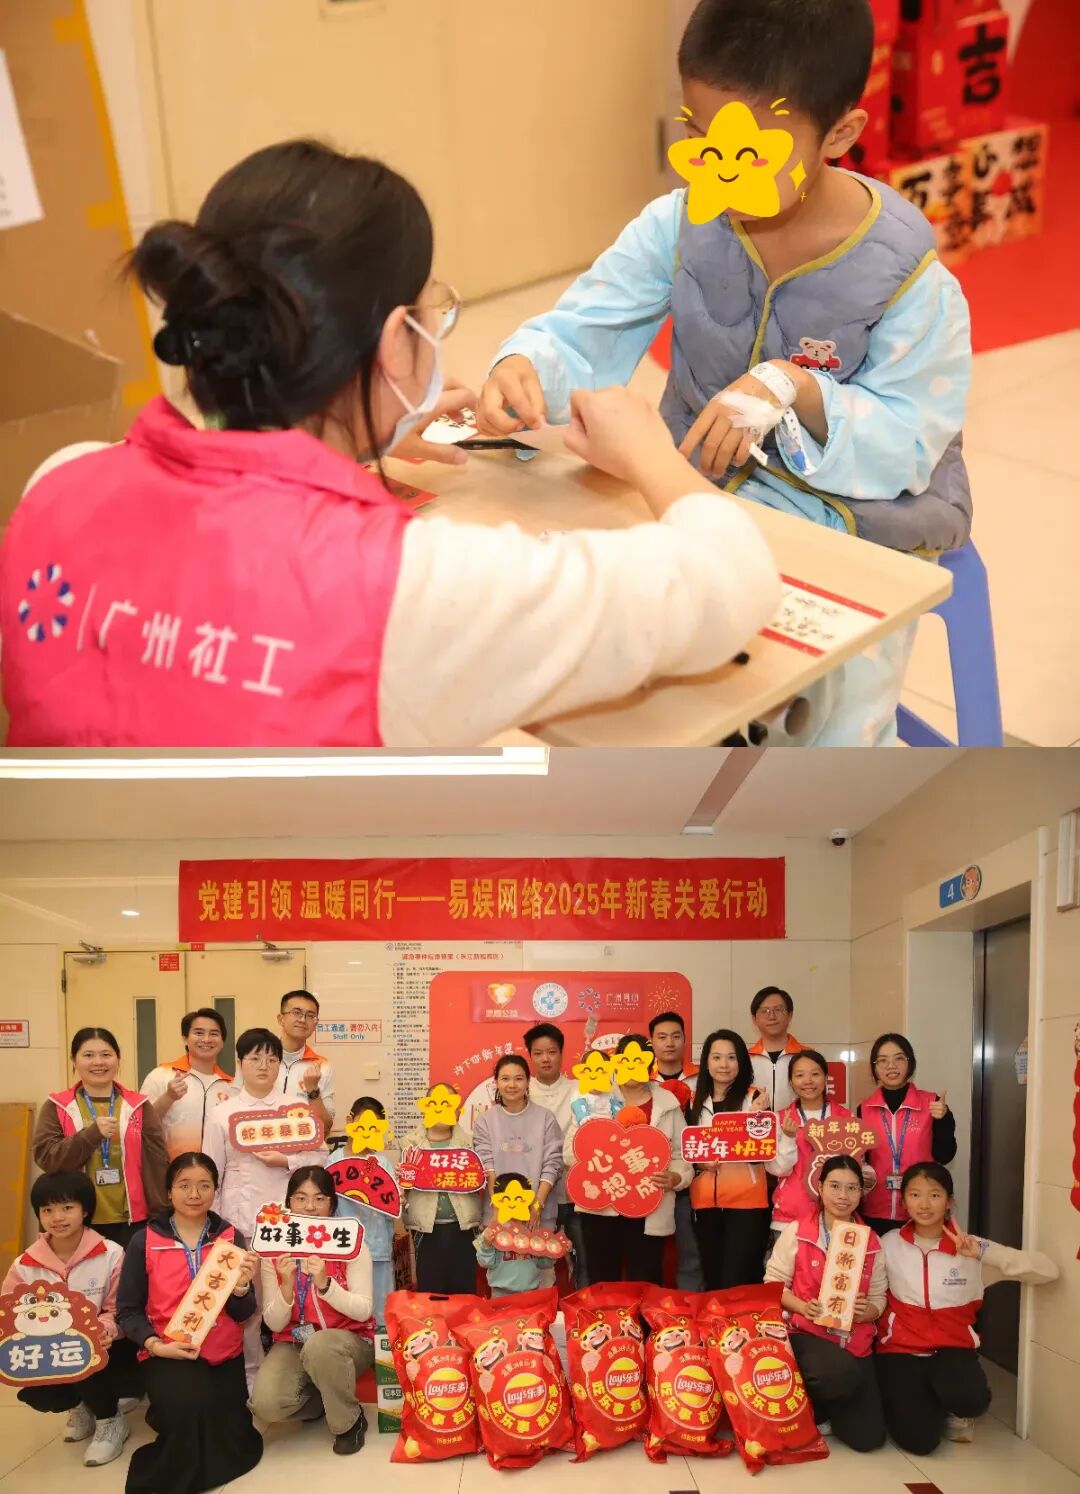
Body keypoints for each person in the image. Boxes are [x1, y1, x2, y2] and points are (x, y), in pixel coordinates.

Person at [0, 139, 779, 749]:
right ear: (396, 339)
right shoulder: (410, 590)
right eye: (429, 306)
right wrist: (650, 453)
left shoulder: (60, 482)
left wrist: (345, 447)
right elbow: (731, 581)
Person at [478, 0, 972, 747]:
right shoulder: (679, 226)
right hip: (696, 491)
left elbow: (911, 442)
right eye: (699, 138)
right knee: (628, 672)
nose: (719, 169)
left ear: (840, 134)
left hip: (862, 526)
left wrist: (798, 388)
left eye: (750, 151)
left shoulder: (905, 274)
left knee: (830, 725)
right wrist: (524, 368)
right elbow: (584, 329)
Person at [876, 1162, 1058, 1452]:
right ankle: (924, 1401)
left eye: (935, 1195)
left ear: (949, 1202)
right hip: (900, 1352)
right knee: (920, 1443)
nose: (924, 1205)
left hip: (952, 1351)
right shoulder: (888, 1244)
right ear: (904, 1201)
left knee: (971, 1400)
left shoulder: (971, 1249)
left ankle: (953, 1407)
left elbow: (1047, 1271)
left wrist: (983, 1254)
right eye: (915, 1195)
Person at [117, 1151, 261, 1493]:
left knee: (230, 1432)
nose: (194, 1194)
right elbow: (127, 1311)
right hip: (168, 1351)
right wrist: (155, 1345)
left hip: (223, 1354)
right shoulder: (145, 1240)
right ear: (169, 1192)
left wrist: (242, 1288)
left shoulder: (230, 1238)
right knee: (190, 1409)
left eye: (204, 1185)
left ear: (215, 1190)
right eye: (184, 1185)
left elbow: (244, 1313)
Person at [203, 1027, 326, 1383]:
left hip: (289, 1221)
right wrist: (216, 1225)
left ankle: (301, 1375)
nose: (263, 1066)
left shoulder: (295, 1108)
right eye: (255, 1058)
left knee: (294, 1295)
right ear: (240, 1063)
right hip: (240, 1220)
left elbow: (319, 1157)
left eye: (271, 1059)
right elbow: (211, 1172)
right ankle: (251, 1377)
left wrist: (285, 1161)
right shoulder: (223, 1113)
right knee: (249, 1303)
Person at [4, 1171, 136, 1467]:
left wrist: (105, 1329)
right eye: (47, 1210)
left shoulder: (111, 1254)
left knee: (84, 1353)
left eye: (67, 1208)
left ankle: (109, 1419)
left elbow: (121, 1308)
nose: (57, 1218)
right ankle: (79, 1407)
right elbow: (9, 1313)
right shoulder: (24, 1265)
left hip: (106, 1348)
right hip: (48, 1351)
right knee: (37, 1393)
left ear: (85, 1210)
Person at [765, 1154, 886, 1452]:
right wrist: (801, 1306)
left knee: (868, 1439)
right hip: (807, 1334)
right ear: (819, 1187)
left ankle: (829, 1408)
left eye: (852, 1188)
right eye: (834, 1186)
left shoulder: (871, 1241)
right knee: (837, 1374)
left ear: (861, 1192)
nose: (843, 1196)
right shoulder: (798, 1231)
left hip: (854, 1341)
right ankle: (818, 1405)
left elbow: (879, 1298)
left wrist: (867, 1312)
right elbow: (773, 1285)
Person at [252, 1165, 375, 1456]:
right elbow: (273, 1322)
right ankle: (323, 1401)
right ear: (288, 1202)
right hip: (294, 1340)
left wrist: (325, 1285)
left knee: (321, 1345)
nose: (310, 1207)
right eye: (300, 1198)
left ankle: (348, 1422)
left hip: (348, 1341)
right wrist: (286, 1287)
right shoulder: (274, 1248)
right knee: (266, 1405)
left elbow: (363, 1310)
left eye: (319, 1199)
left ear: (332, 1204)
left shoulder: (350, 1244)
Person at [562, 1033, 692, 1285]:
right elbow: (569, 1152)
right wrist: (595, 1149)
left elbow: (681, 1154)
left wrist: (676, 1177)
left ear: (650, 1063)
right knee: (602, 1282)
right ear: (615, 1062)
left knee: (645, 1280)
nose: (632, 1067)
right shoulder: (595, 1096)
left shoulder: (667, 1103)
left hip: (649, 1205)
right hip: (600, 1207)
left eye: (639, 1060)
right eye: (625, 1060)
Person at [33, 1027, 168, 1247]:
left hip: (133, 1221)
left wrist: (161, 1215)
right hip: (75, 1221)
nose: (98, 1062)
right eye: (88, 1055)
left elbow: (157, 1164)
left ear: (118, 1059)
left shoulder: (139, 1106)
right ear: (74, 1060)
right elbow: (47, 1157)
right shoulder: (57, 1106)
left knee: (129, 1270)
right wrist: (91, 1135)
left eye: (106, 1054)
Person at [686, 1029, 795, 1287]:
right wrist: (699, 1163)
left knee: (739, 1280)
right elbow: (687, 1150)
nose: (724, 1064)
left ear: (742, 1062)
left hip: (747, 1204)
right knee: (712, 1280)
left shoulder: (756, 1098)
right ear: (706, 1063)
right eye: (716, 1057)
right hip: (705, 1205)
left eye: (731, 1057)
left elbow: (770, 1159)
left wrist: (754, 1119)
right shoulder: (693, 1101)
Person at [472, 1055, 564, 1286]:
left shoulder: (545, 1118)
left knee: (542, 1277)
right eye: (505, 1079)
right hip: (499, 1216)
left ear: (528, 1082)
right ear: (496, 1082)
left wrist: (537, 1206)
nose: (511, 1085)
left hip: (537, 1214)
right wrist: (497, 1209)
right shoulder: (485, 1121)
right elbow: (487, 1167)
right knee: (504, 1279)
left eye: (518, 1078)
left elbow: (552, 1164)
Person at [858, 1033, 955, 1235]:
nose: (891, 1066)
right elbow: (860, 1160)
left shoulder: (932, 1103)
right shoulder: (864, 1109)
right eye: (882, 1060)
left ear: (910, 1063)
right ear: (874, 1068)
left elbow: (945, 1156)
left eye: (899, 1058)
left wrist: (943, 1119)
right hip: (875, 1208)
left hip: (920, 1209)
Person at [400, 1085, 482, 1294]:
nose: (440, 1109)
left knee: (463, 1290)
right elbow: (403, 1183)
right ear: (426, 1107)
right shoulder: (410, 1143)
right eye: (435, 1103)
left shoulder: (470, 1142)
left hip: (463, 1228)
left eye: (447, 1103)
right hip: (426, 1229)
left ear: (457, 1109)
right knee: (430, 1291)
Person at [522, 1022, 587, 1285]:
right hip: (536, 1194)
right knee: (536, 1261)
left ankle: (586, 1305)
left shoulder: (581, 1089)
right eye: (538, 1053)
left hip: (577, 1192)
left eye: (551, 1052)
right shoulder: (521, 1091)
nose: (545, 1059)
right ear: (530, 1056)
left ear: (561, 1052)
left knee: (585, 1258)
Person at [770, 1048, 860, 1234]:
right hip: (790, 1218)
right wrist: (788, 1137)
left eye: (815, 1074)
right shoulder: (780, 1119)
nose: (808, 1081)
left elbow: (856, 1165)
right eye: (800, 1075)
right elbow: (779, 1170)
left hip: (836, 1216)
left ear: (826, 1079)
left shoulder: (846, 1118)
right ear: (791, 1082)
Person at [327, 1095, 397, 1325]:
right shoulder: (333, 1162)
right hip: (344, 1249)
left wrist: (400, 1197)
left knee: (380, 1313)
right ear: (350, 1122)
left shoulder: (382, 1164)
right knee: (349, 1310)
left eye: (374, 1127)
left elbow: (393, 1207)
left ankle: (381, 1346)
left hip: (378, 1249)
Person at [647, 1010, 702, 1291]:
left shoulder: (702, 1078)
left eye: (676, 1036)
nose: (669, 1043)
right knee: (647, 1256)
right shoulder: (639, 1079)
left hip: (695, 1178)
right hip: (650, 1181)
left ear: (685, 1040)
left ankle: (689, 1308)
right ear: (652, 1042)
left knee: (691, 1254)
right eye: (662, 1037)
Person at [142, 1009, 235, 1158]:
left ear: (222, 1042)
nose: (206, 1039)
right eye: (199, 1033)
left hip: (216, 1170)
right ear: (185, 1038)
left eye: (214, 1034)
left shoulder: (231, 1086)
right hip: (169, 1168)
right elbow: (141, 1124)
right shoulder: (161, 1075)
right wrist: (168, 1097)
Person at [275, 989, 336, 1133]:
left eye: (310, 1016)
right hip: (262, 1140)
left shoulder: (322, 1066)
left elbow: (326, 1126)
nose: (302, 1020)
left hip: (302, 1145)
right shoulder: (259, 1058)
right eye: (296, 1012)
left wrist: (313, 1090)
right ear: (281, 1019)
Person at [474, 1172, 543, 1297]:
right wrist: (486, 1245)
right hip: (501, 1294)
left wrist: (556, 1249)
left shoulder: (532, 1230)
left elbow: (544, 1262)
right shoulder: (492, 1231)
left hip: (531, 1293)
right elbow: (484, 1262)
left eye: (520, 1199)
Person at [747, 987, 805, 1112]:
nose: (772, 1016)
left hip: (797, 1124)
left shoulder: (807, 1057)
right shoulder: (745, 1059)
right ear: (754, 1019)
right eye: (765, 1011)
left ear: (790, 1015)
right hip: (756, 1124)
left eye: (778, 1009)